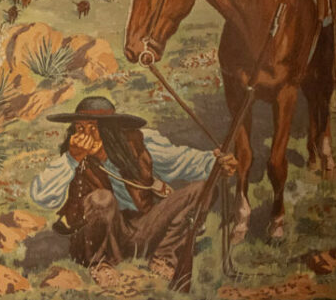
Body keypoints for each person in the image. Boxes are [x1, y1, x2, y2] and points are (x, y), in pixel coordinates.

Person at [30, 96, 236, 289]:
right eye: (80, 128)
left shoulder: (138, 143)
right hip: (98, 238)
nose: (85, 135)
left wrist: (216, 163)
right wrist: (72, 159)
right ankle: (101, 264)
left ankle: (165, 258)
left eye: (93, 128)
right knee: (101, 199)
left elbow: (183, 161)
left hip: (143, 227)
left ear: (109, 130)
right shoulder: (73, 159)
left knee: (201, 190)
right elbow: (42, 196)